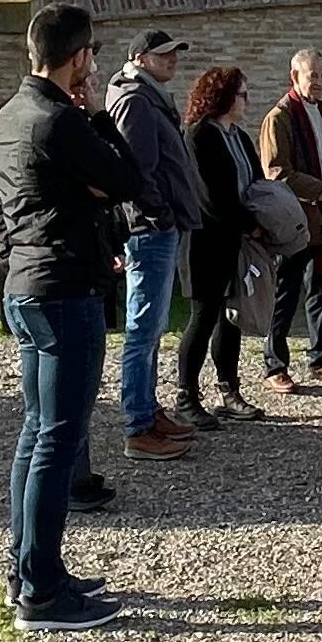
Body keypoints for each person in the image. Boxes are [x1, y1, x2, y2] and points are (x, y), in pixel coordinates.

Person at [0, 0, 135, 632]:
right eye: (91, 55)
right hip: (65, 288)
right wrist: (100, 115)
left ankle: (29, 567)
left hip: (26, 284)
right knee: (58, 437)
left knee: (36, 431)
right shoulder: (61, 122)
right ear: (80, 57)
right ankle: (43, 593)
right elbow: (127, 177)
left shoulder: (10, 117)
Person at [103, 28, 203, 458]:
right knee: (142, 329)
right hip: (149, 230)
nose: (173, 60)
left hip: (159, 225)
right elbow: (136, 170)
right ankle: (137, 424)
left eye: (175, 53)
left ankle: (147, 409)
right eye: (164, 54)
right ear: (140, 58)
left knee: (152, 327)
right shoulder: (135, 101)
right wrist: (158, 214)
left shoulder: (148, 97)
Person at [257, 49, 322, 393]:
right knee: (285, 291)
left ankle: (320, 357)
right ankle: (275, 365)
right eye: (312, 75)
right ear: (295, 77)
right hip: (294, 221)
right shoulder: (280, 117)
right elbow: (276, 172)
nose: (318, 82)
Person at [176, 64, 268, 429]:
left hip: (238, 243)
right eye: (242, 94)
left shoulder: (240, 138)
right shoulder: (199, 136)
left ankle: (229, 390)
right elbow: (210, 196)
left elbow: (255, 182)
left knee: (232, 317)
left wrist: (264, 218)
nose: (246, 100)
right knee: (203, 317)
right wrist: (250, 224)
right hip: (205, 241)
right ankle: (186, 395)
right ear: (224, 96)